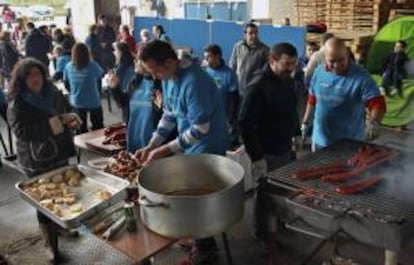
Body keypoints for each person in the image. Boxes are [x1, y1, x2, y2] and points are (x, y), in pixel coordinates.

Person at [136, 40, 227, 265]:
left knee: (200, 198)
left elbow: (200, 129)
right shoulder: (168, 78)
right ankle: (197, 236)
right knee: (188, 195)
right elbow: (169, 114)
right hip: (188, 144)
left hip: (208, 146)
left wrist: (165, 149)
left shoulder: (196, 81)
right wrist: (152, 144)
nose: (155, 76)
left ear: (168, 62)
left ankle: (206, 248)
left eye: (155, 70)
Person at [7, 58, 80, 261]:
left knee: (64, 190)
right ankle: (48, 239)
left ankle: (62, 227)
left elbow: (64, 113)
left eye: (37, 74)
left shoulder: (53, 93)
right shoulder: (17, 102)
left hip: (59, 151)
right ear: (22, 79)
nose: (35, 78)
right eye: (29, 75)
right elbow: (21, 132)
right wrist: (56, 123)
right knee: (44, 197)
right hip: (35, 157)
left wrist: (71, 120)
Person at [238, 43, 299, 238]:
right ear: (272, 61)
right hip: (265, 151)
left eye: (293, 64)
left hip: (284, 146)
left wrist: (296, 132)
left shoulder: (288, 80)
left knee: (283, 189)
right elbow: (244, 123)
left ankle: (280, 223)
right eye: (286, 64)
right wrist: (256, 157)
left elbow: (291, 109)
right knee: (264, 193)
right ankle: (261, 231)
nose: (291, 69)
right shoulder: (257, 86)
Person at [301, 38, 386, 151]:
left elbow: (378, 104)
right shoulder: (319, 72)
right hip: (320, 141)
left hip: (349, 143)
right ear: (324, 57)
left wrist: (373, 124)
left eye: (341, 60)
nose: (336, 65)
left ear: (347, 54)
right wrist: (305, 122)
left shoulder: (361, 77)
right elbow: (312, 98)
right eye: (332, 61)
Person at [108, 59, 163, 153]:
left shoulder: (161, 84)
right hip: (134, 136)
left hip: (153, 141)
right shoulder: (136, 81)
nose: (134, 61)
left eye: (139, 60)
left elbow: (166, 114)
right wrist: (115, 88)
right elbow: (124, 103)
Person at [203, 44, 239, 147]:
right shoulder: (204, 71)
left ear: (218, 56)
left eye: (209, 57)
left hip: (223, 118)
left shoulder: (229, 74)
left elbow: (234, 99)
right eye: (205, 57)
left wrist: (229, 119)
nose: (206, 60)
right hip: (207, 117)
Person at [63, 43, 105, 133]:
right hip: (93, 100)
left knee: (80, 128)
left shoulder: (68, 66)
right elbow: (101, 75)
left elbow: (66, 83)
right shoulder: (93, 66)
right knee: (98, 126)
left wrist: (73, 91)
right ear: (87, 53)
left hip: (76, 100)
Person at [229, 22, 269, 97]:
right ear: (245, 35)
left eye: (256, 33)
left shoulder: (265, 50)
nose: (254, 36)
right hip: (239, 89)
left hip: (255, 91)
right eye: (250, 33)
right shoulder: (238, 46)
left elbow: (266, 71)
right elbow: (232, 65)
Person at [107, 42, 136, 120]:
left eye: (115, 50)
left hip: (125, 95)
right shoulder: (132, 62)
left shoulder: (120, 68)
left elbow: (117, 84)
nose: (114, 53)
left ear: (120, 52)